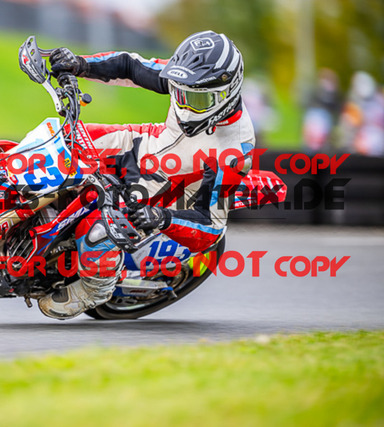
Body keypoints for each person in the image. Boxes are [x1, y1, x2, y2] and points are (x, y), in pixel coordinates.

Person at [37, 30, 256, 320]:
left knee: (100, 229)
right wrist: (80, 64)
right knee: (58, 138)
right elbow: (130, 65)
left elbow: (211, 227)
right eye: (181, 95)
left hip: (170, 192)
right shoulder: (188, 78)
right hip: (146, 143)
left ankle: (94, 289)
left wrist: (162, 217)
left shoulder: (235, 149)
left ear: (226, 92)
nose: (187, 108)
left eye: (198, 101)